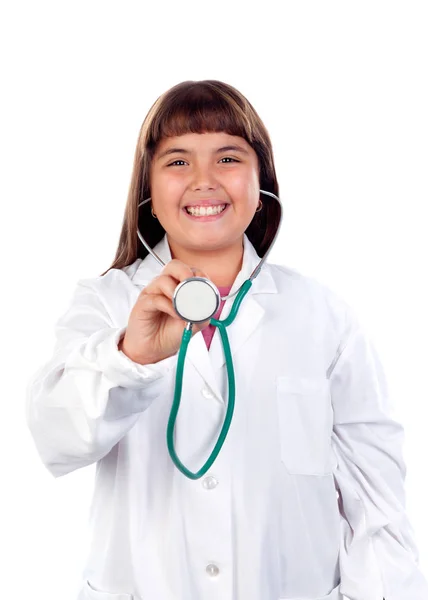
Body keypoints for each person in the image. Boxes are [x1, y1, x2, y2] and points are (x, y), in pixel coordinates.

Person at [26, 80, 427, 600]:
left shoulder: (323, 316)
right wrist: (132, 356)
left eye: (229, 158)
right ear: (147, 191)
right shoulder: (104, 304)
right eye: (177, 162)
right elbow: (56, 441)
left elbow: (377, 501)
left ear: (262, 185)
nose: (204, 180)